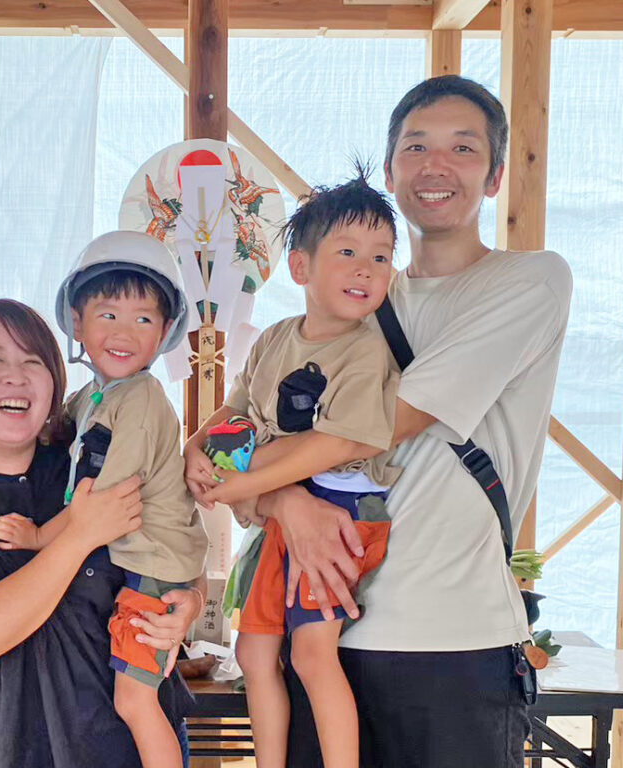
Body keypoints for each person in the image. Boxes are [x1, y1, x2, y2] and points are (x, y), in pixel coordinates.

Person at [243, 75, 573, 767]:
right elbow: (235, 432)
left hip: (454, 645)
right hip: (326, 634)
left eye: (463, 147)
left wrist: (241, 480)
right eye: (416, 146)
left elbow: (373, 425)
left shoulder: (529, 281)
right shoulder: (353, 297)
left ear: (494, 177)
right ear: (391, 173)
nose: (436, 165)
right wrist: (280, 501)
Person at [0, 299, 203, 768]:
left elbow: (172, 534)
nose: (16, 376)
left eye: (33, 361)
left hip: (126, 750)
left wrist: (189, 602)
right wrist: (79, 536)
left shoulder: (87, 463)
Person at [183, 173, 400, 768]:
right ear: (300, 267)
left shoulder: (367, 349)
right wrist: (195, 447)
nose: (365, 270)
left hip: (338, 508)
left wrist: (240, 487)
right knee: (253, 654)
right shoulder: (275, 339)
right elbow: (235, 410)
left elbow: (337, 443)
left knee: (310, 653)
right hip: (281, 509)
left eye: (381, 258)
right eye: (348, 252)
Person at [0, 231, 209, 768]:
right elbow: (57, 431)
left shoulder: (141, 402)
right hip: (141, 566)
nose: (124, 333)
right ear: (78, 323)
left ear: (165, 332)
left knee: (135, 699)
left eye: (143, 319)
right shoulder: (92, 396)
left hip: (154, 569)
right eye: (108, 314)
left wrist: (38, 536)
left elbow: (107, 504)